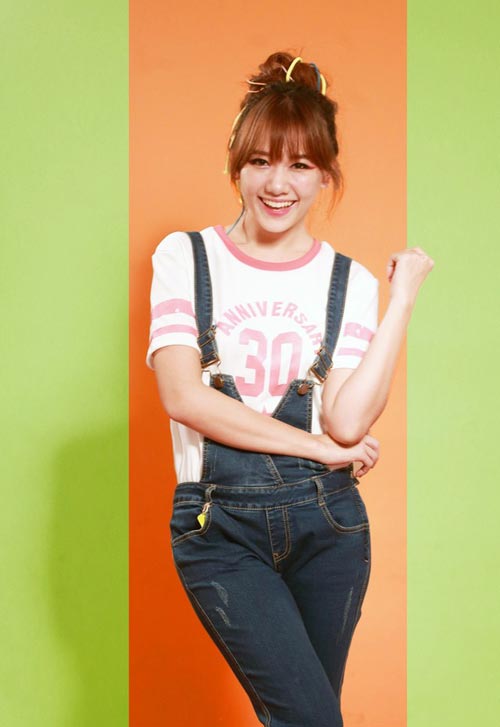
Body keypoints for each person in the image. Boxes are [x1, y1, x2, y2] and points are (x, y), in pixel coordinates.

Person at [147, 51, 434, 727]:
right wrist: (323, 451)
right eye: (261, 161)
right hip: (219, 525)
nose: (278, 184)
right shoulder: (186, 256)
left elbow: (346, 421)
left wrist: (401, 300)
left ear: (325, 174)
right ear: (237, 166)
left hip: (329, 525)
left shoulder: (348, 281)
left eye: (301, 165)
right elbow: (184, 396)